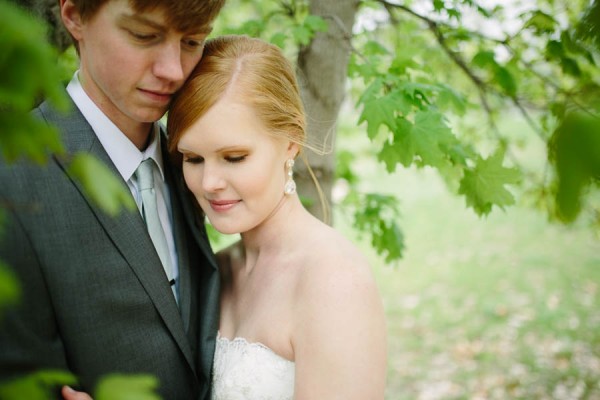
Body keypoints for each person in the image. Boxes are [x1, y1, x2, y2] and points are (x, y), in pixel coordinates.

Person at [0, 0, 225, 398]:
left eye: (192, 41)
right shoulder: (12, 177)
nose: (173, 71)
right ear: (74, 17)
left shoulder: (194, 164)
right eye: (144, 35)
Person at [168, 35, 388, 399]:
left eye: (234, 157)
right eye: (193, 159)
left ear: (290, 141)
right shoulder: (215, 269)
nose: (209, 183)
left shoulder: (334, 280)